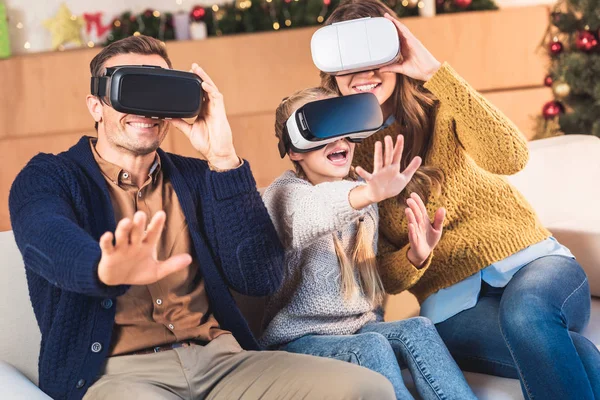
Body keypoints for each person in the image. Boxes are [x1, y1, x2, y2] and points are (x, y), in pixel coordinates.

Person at [8, 35, 396, 400]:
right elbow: (44, 237)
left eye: (158, 92)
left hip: (223, 361)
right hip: (119, 372)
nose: (145, 109)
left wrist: (224, 160)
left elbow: (259, 277)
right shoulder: (51, 176)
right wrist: (103, 269)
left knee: (367, 389)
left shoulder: (198, 177)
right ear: (96, 106)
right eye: (131, 91)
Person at [320, 1, 600, 399]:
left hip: (533, 262)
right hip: (452, 307)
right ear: (331, 68)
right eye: (348, 61)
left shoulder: (440, 103)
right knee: (574, 354)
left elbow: (511, 156)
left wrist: (435, 72)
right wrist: (415, 256)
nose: (364, 74)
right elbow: (378, 273)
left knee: (527, 317)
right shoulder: (340, 159)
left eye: (373, 56)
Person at [260, 86, 477, 400]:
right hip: (296, 340)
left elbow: (374, 279)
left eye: (344, 128)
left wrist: (415, 255)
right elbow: (313, 212)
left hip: (359, 327)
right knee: (371, 347)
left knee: (418, 328)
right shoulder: (285, 194)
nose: (339, 141)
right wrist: (367, 195)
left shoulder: (363, 193)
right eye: (323, 131)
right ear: (295, 150)